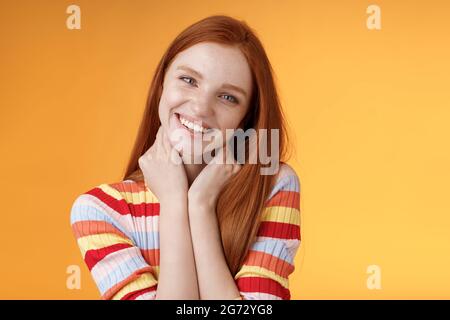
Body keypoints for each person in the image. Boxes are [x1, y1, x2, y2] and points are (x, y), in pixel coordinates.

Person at [70, 15, 302, 300]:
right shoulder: (99, 211)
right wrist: (174, 202)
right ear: (161, 86)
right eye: (188, 80)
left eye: (228, 97)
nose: (201, 107)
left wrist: (201, 205)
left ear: (246, 119)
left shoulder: (273, 184)